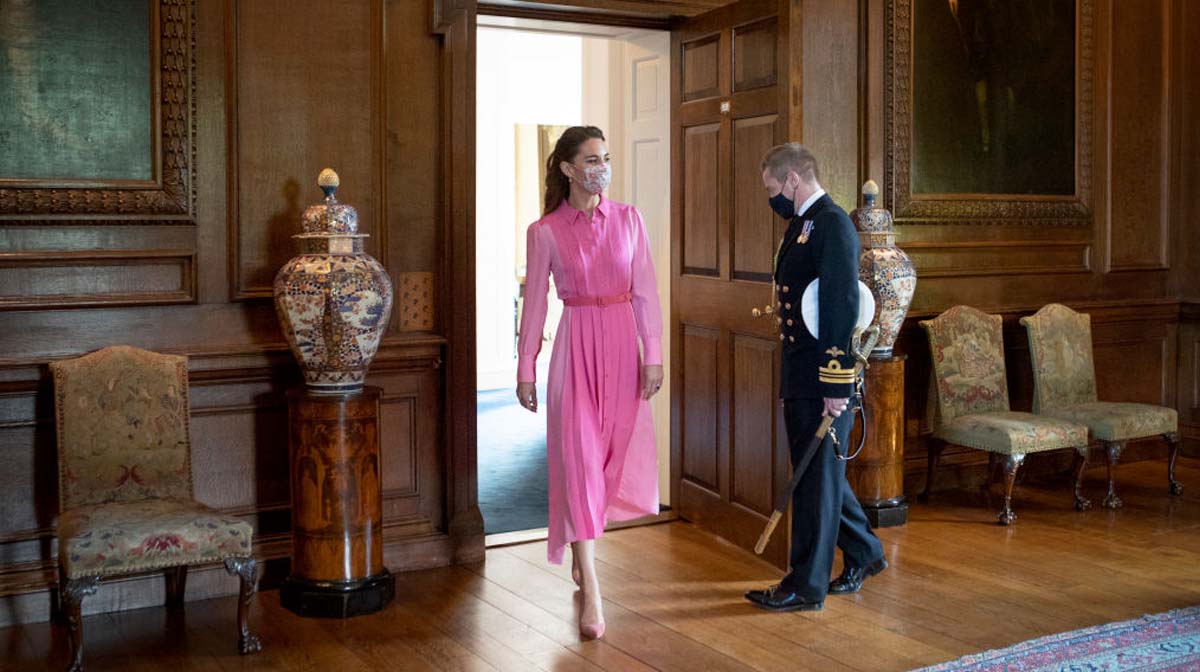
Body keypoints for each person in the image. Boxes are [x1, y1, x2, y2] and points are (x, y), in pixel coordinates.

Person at [516, 126, 664, 639]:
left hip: (624, 349)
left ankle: (583, 542)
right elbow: (535, 305)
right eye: (592, 158)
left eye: (606, 156)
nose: (601, 166)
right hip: (575, 349)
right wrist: (525, 368)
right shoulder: (545, 232)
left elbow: (645, 291)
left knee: (609, 459)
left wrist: (654, 356)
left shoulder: (629, 220)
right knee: (578, 460)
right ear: (567, 167)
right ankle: (593, 593)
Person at [745, 143, 887, 612]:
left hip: (822, 377)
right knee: (819, 475)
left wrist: (835, 385)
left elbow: (840, 307)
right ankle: (865, 552)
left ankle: (805, 586)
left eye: (772, 188)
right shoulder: (801, 225)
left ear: (792, 180)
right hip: (800, 370)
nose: (771, 198)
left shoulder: (832, 224)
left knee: (816, 480)